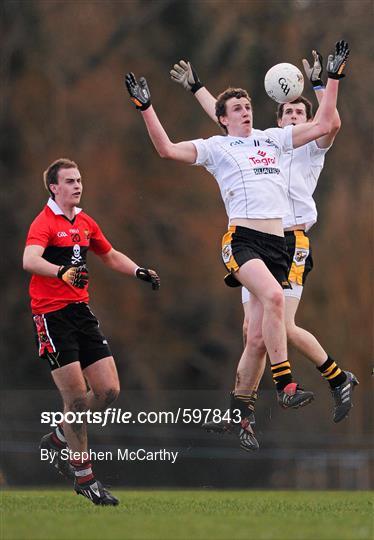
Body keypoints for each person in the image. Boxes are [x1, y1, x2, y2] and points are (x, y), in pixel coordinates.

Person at [125, 40, 349, 452]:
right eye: (239, 108)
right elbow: (166, 149)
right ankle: (285, 385)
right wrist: (147, 108)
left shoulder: (272, 139)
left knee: (257, 335)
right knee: (273, 300)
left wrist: (331, 81)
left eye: (249, 106)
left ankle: (239, 414)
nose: (247, 111)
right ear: (224, 120)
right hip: (242, 241)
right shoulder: (217, 147)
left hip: (279, 244)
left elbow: (323, 125)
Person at [23, 158, 160, 505]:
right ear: (54, 187)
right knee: (75, 397)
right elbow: (30, 260)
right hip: (52, 318)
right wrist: (61, 272)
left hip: (81, 313)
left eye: (79, 180)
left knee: (109, 390)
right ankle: (85, 477)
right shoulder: (44, 223)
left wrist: (138, 271)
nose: (77, 185)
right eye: (69, 181)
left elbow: (109, 254)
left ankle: (59, 435)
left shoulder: (84, 222)